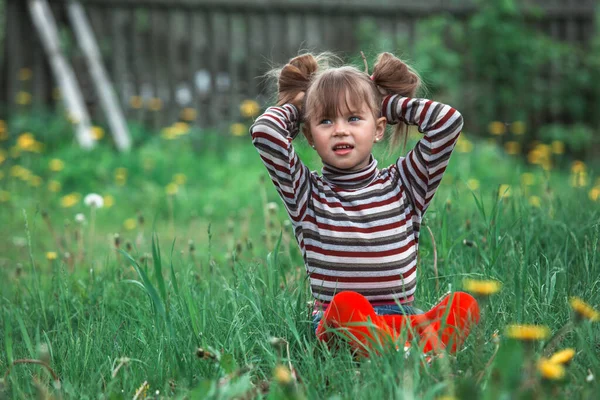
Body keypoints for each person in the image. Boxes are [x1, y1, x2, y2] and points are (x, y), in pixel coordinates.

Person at [250, 52, 479, 357]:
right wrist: (299, 106)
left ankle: (403, 350)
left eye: (354, 118)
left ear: (380, 128)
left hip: (403, 318)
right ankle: (410, 356)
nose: (340, 130)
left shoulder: (405, 185)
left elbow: (448, 122)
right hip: (343, 322)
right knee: (347, 303)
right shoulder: (305, 193)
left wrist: (383, 102)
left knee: (463, 305)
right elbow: (265, 132)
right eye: (325, 120)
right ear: (309, 134)